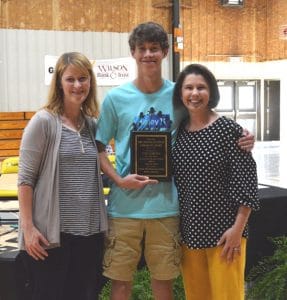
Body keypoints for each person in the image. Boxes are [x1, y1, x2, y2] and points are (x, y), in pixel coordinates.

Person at [95, 22, 255, 300]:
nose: (148, 54)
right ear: (133, 52)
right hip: (124, 209)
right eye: (142, 49)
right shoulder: (115, 98)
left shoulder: (179, 95)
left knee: (163, 282)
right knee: (120, 282)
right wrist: (119, 180)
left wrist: (243, 135)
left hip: (166, 207)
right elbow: (98, 147)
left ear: (165, 52)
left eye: (154, 48)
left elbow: (205, 116)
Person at [17, 52, 108, 300]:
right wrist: (28, 228)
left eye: (83, 78)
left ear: (90, 82)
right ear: (59, 82)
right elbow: (25, 179)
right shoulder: (43, 122)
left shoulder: (92, 125)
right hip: (52, 237)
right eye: (70, 79)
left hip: (89, 237)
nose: (77, 85)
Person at [172, 63, 260, 300]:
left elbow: (247, 184)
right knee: (196, 296)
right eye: (188, 87)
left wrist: (237, 230)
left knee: (227, 296)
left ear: (211, 92)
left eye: (201, 87)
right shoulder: (179, 132)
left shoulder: (229, 130)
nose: (195, 93)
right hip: (189, 234)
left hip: (225, 234)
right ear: (180, 93)